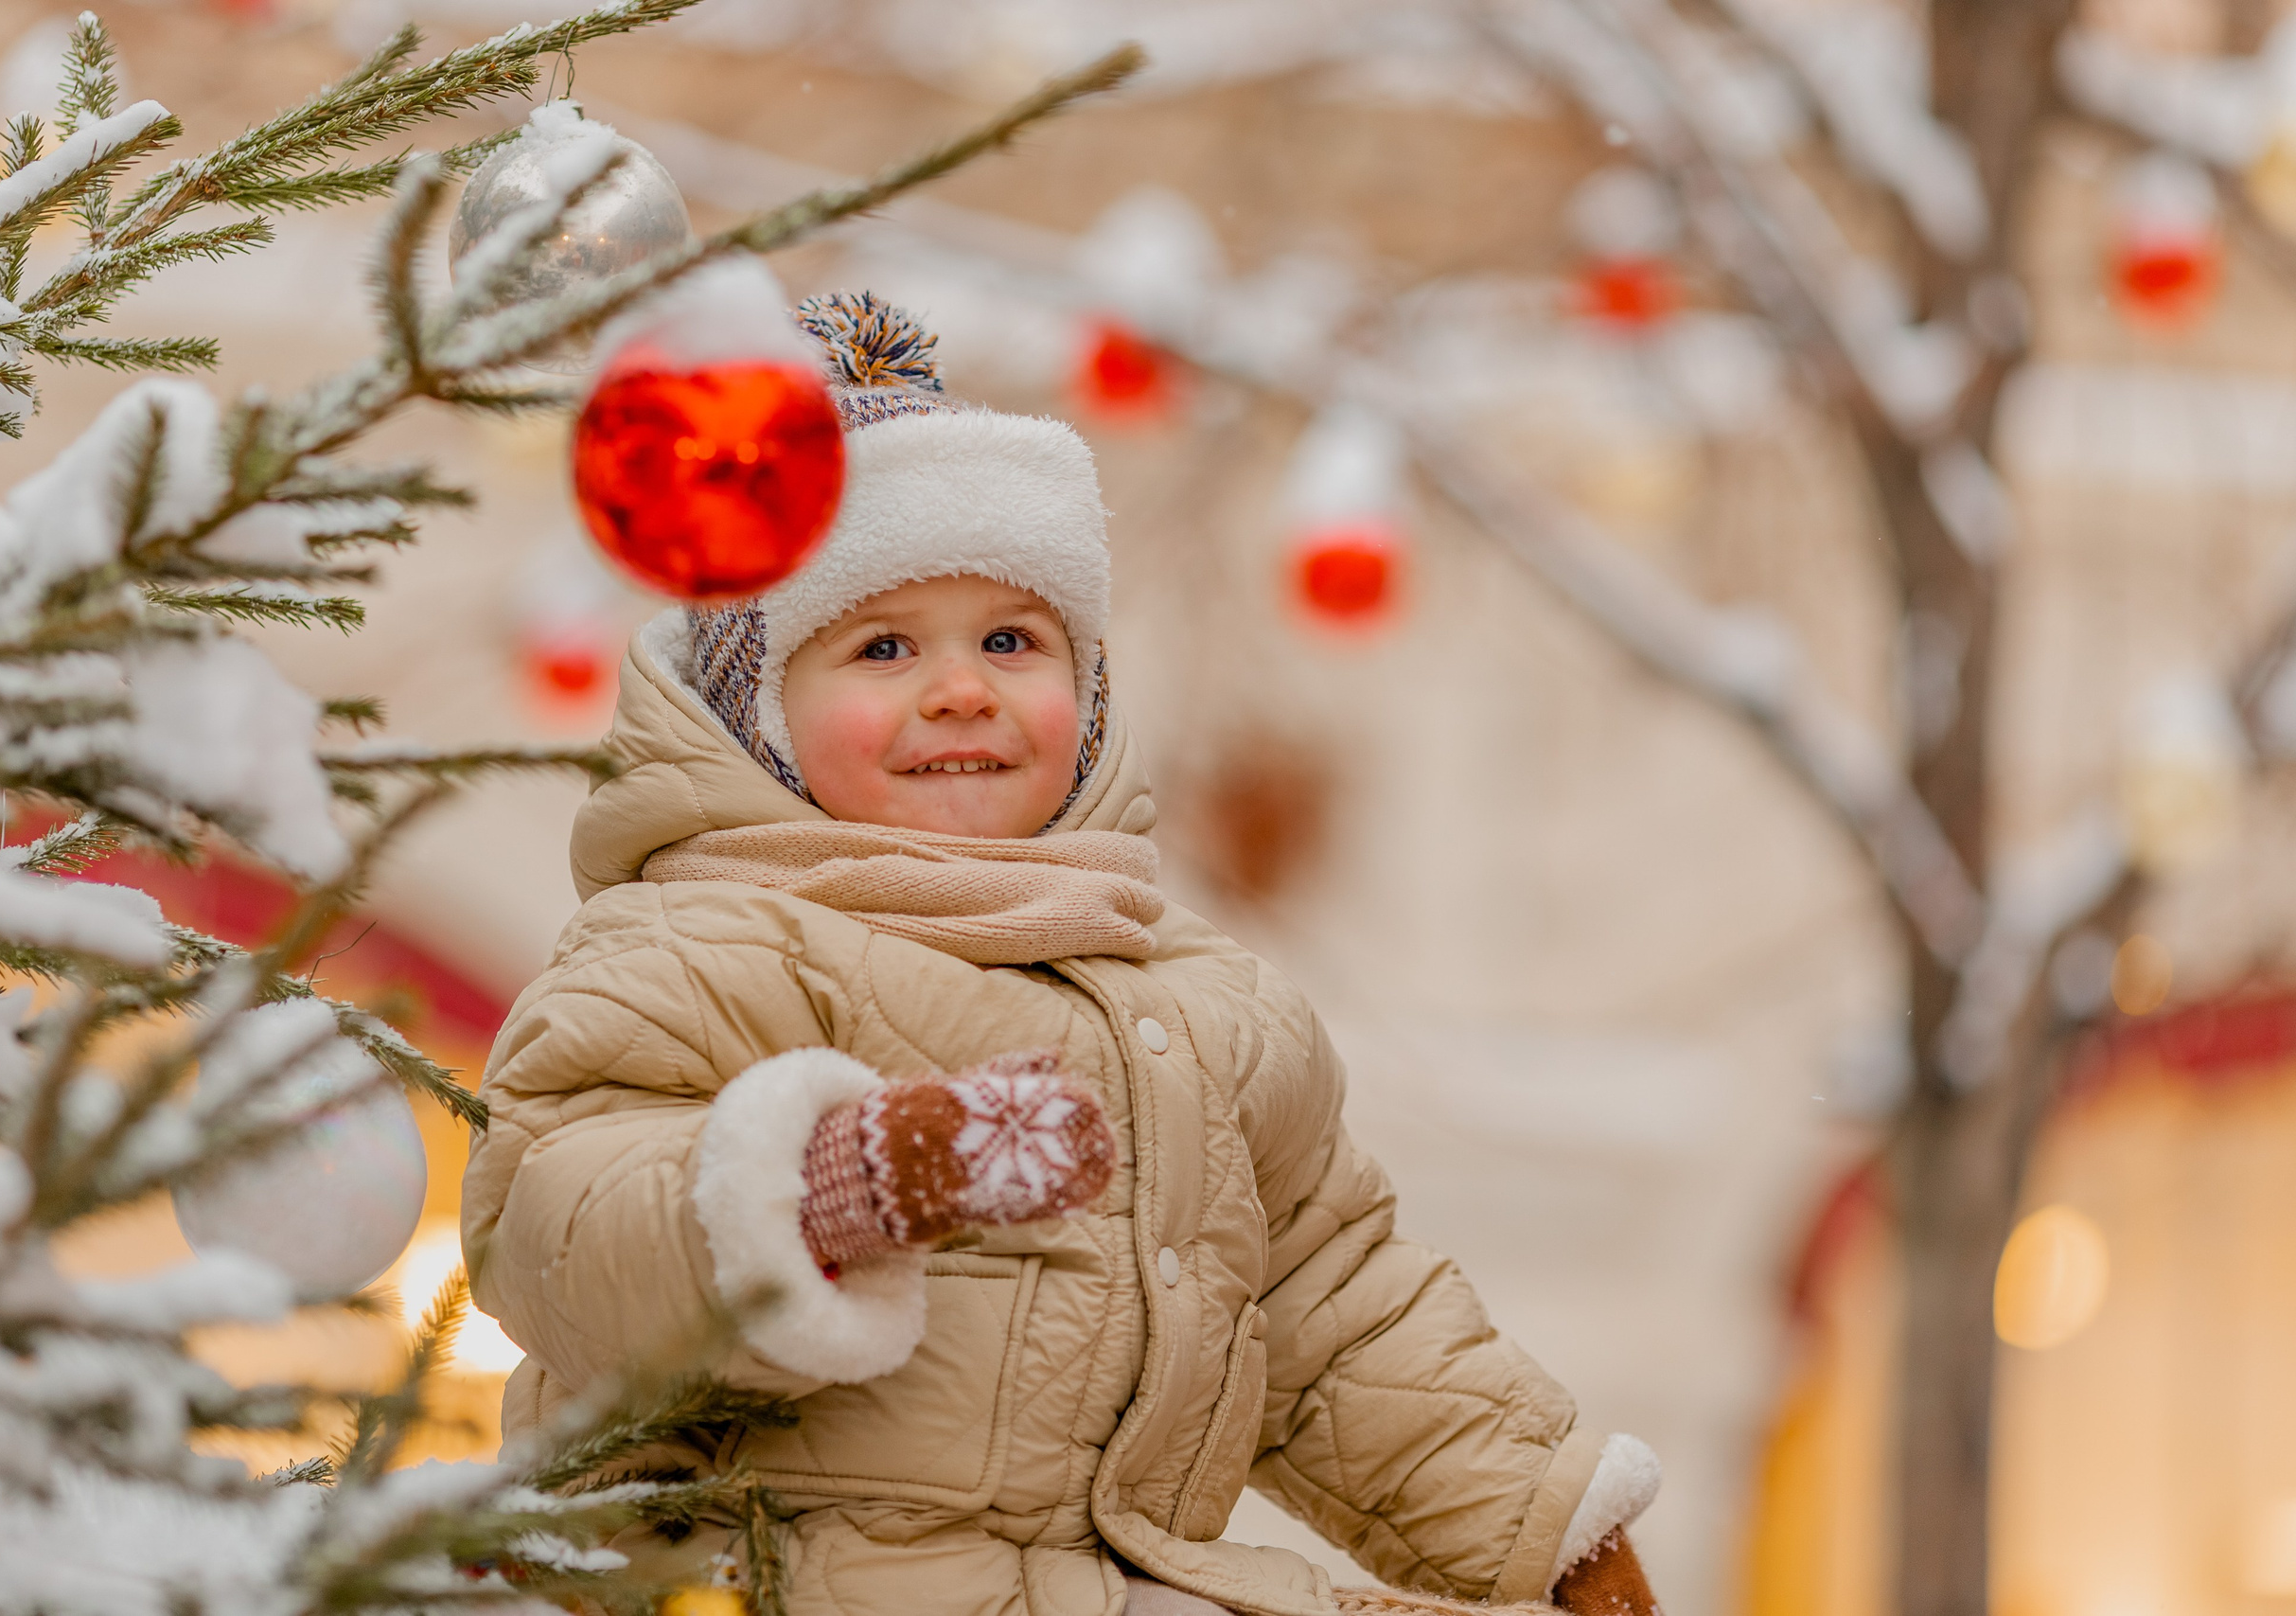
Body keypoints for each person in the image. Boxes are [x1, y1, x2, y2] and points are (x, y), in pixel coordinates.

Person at [462, 289, 1665, 1616]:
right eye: (881, 645)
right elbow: (559, 1226)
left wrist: (1550, 1523)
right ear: (757, 715)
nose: (962, 687)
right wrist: (832, 1185)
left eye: (1010, 640)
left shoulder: (1196, 1004)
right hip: (776, 1576)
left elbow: (1335, 1315)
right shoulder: (694, 945)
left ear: (1085, 700)